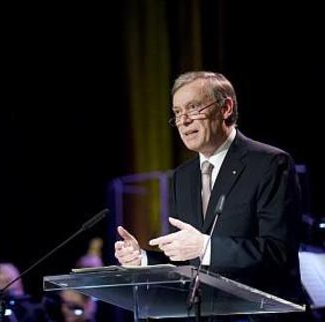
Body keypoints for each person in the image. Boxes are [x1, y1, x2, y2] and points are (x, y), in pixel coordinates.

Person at [114, 71, 305, 321]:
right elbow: (186, 258)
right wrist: (142, 258)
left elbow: (278, 252)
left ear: (226, 108)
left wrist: (206, 247)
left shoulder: (270, 164)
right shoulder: (182, 177)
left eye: (193, 108)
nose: (183, 120)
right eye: (177, 112)